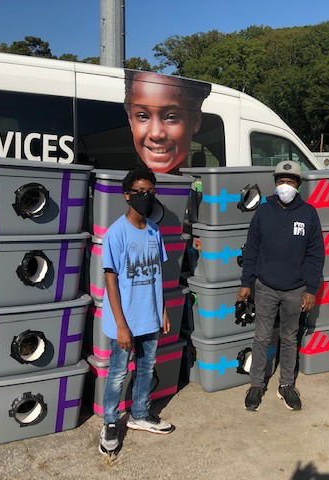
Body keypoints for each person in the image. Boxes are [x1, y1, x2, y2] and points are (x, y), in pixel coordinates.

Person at [237, 161, 324, 412]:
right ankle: (256, 385)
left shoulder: (309, 214)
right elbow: (251, 248)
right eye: (280, 181)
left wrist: (311, 289)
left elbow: (315, 254)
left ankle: (286, 385)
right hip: (265, 287)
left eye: (290, 181)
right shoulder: (263, 212)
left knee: (289, 338)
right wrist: (246, 283)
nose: (284, 186)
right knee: (261, 337)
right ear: (275, 184)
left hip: (295, 289)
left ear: (298, 185)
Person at [99, 165, 174, 456]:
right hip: (125, 320)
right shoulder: (116, 234)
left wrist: (164, 310)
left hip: (150, 317)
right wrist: (120, 325)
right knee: (118, 374)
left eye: (151, 192)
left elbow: (158, 275)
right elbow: (111, 282)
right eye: (140, 192)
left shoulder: (155, 231)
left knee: (146, 367)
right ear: (126, 195)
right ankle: (109, 423)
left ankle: (140, 414)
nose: (146, 197)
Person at [124, 70, 211, 174]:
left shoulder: (203, 189)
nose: (156, 134)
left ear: (195, 121)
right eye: (143, 116)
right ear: (130, 120)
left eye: (171, 117)